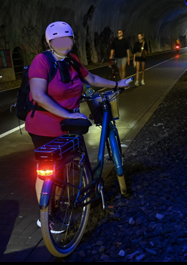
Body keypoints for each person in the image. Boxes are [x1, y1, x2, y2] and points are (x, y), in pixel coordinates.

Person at [26, 21, 131, 226]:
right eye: (58, 40)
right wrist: (69, 114)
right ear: (50, 42)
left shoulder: (72, 60)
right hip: (45, 126)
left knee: (72, 162)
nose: (64, 43)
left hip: (71, 125)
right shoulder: (41, 61)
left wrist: (117, 84)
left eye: (67, 39)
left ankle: (82, 194)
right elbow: (38, 95)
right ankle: (46, 214)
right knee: (48, 169)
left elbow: (90, 78)